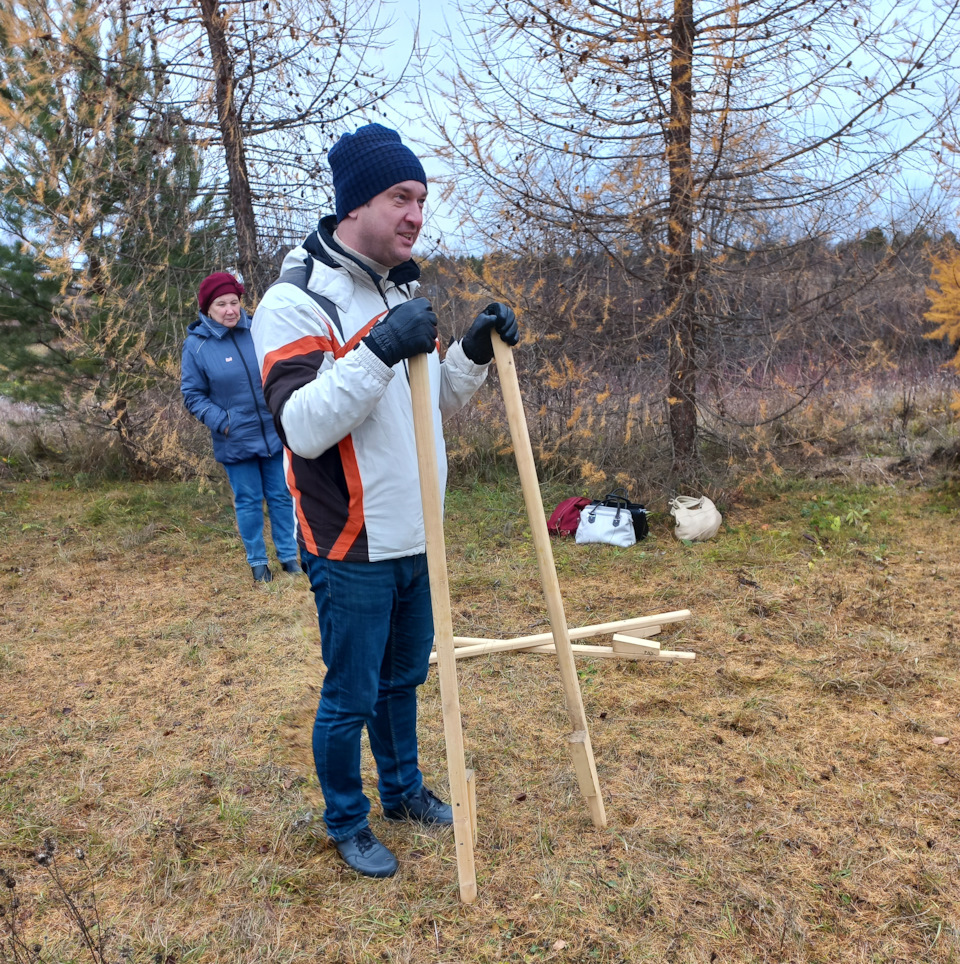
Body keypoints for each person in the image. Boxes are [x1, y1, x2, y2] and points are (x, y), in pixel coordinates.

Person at [251, 123, 519, 879]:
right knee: (351, 693)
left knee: (403, 681)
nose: (415, 215)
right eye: (400, 197)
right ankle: (348, 821)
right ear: (356, 204)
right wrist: (375, 347)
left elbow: (425, 405)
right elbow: (301, 427)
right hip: (351, 543)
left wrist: (469, 350)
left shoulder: (399, 287)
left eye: (422, 200)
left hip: (417, 534)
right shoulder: (296, 300)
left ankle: (402, 792)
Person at [180, 271, 303, 583]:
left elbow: (279, 370)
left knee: (281, 495)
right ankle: (258, 563)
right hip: (235, 438)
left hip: (272, 432)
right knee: (248, 500)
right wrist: (223, 422)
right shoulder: (196, 346)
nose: (230, 310)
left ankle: (289, 558)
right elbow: (192, 395)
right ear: (207, 308)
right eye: (221, 304)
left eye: (234, 302)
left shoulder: (258, 331)